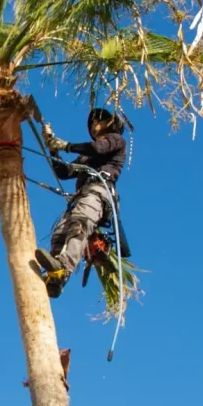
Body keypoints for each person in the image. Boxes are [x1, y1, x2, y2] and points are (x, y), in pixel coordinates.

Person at [35, 108, 127, 298]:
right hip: (80, 196)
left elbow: (98, 148)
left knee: (80, 224)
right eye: (92, 122)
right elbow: (64, 172)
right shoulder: (87, 157)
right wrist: (53, 148)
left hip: (98, 192)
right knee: (59, 233)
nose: (94, 124)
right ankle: (56, 277)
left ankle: (64, 266)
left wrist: (66, 145)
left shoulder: (116, 140)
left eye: (99, 120)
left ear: (111, 123)